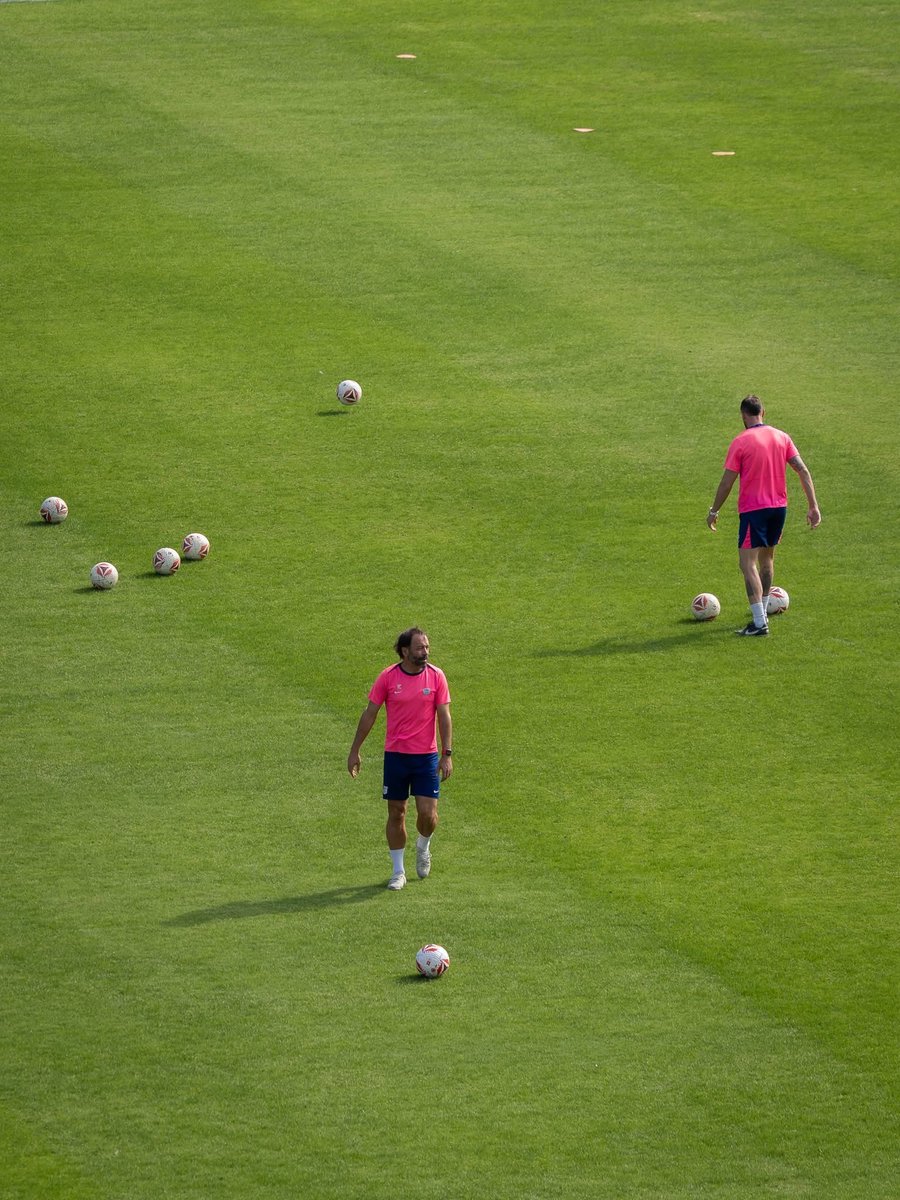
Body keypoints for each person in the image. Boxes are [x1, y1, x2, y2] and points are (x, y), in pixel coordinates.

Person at [347, 628, 453, 890]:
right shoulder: (388, 677)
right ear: (405, 651)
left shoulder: (437, 677)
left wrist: (447, 754)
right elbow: (370, 713)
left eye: (427, 647)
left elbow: (444, 716)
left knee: (428, 815)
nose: (425, 652)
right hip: (396, 757)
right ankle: (398, 871)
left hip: (426, 757)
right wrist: (355, 750)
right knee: (397, 813)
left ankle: (423, 845)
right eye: (420, 648)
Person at [707, 395, 821, 636]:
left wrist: (714, 510)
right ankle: (764, 609)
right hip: (779, 508)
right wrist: (813, 506)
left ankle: (759, 623)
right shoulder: (782, 437)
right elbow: (802, 469)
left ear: (743, 415)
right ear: (763, 412)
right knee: (767, 559)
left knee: (747, 563)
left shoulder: (741, 441)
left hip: (753, 510)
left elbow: (727, 481)